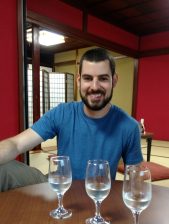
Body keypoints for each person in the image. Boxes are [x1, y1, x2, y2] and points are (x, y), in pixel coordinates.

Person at [0, 47, 143, 191]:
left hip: (97, 193)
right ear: (79, 81)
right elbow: (16, 144)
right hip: (57, 187)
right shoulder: (62, 113)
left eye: (103, 78)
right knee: (4, 169)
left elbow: (135, 180)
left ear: (114, 80)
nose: (94, 86)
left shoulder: (129, 126)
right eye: (88, 78)